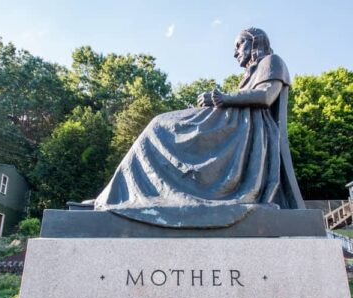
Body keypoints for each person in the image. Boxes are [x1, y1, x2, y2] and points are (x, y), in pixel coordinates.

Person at [94, 28, 304, 227]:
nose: (234, 53)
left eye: (239, 45)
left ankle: (130, 196)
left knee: (159, 126)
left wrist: (222, 98)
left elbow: (266, 96)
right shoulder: (251, 72)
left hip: (242, 131)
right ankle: (123, 194)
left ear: (254, 41)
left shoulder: (272, 61)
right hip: (232, 126)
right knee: (159, 125)